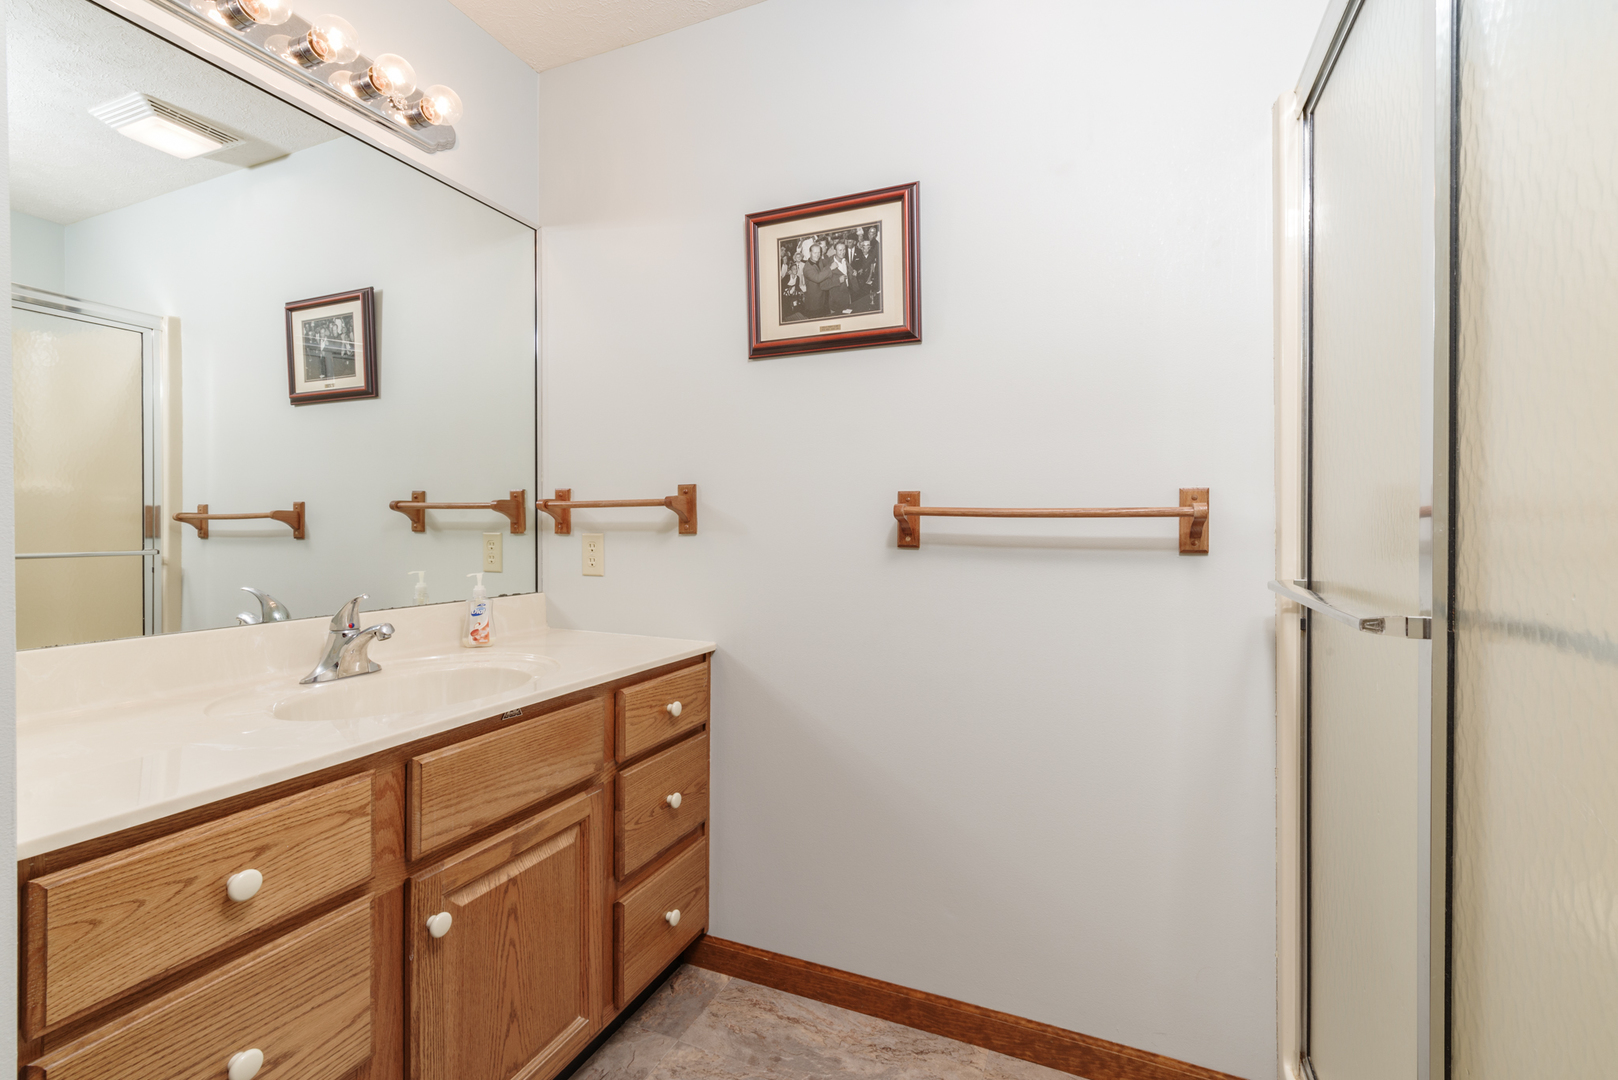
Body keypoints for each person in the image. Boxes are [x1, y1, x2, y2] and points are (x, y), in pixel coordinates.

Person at [802, 242, 838, 318]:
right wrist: (831, 268)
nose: (817, 255)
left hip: (822, 299)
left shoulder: (819, 261)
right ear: (810, 253)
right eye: (815, 253)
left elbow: (825, 268)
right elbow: (817, 278)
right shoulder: (807, 268)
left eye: (819, 252)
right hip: (814, 303)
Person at [826, 241, 853, 315]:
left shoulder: (845, 260)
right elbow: (825, 284)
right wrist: (838, 280)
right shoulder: (829, 264)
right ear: (835, 251)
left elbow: (849, 271)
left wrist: (853, 271)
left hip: (847, 297)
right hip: (835, 300)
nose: (843, 252)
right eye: (840, 250)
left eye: (844, 249)